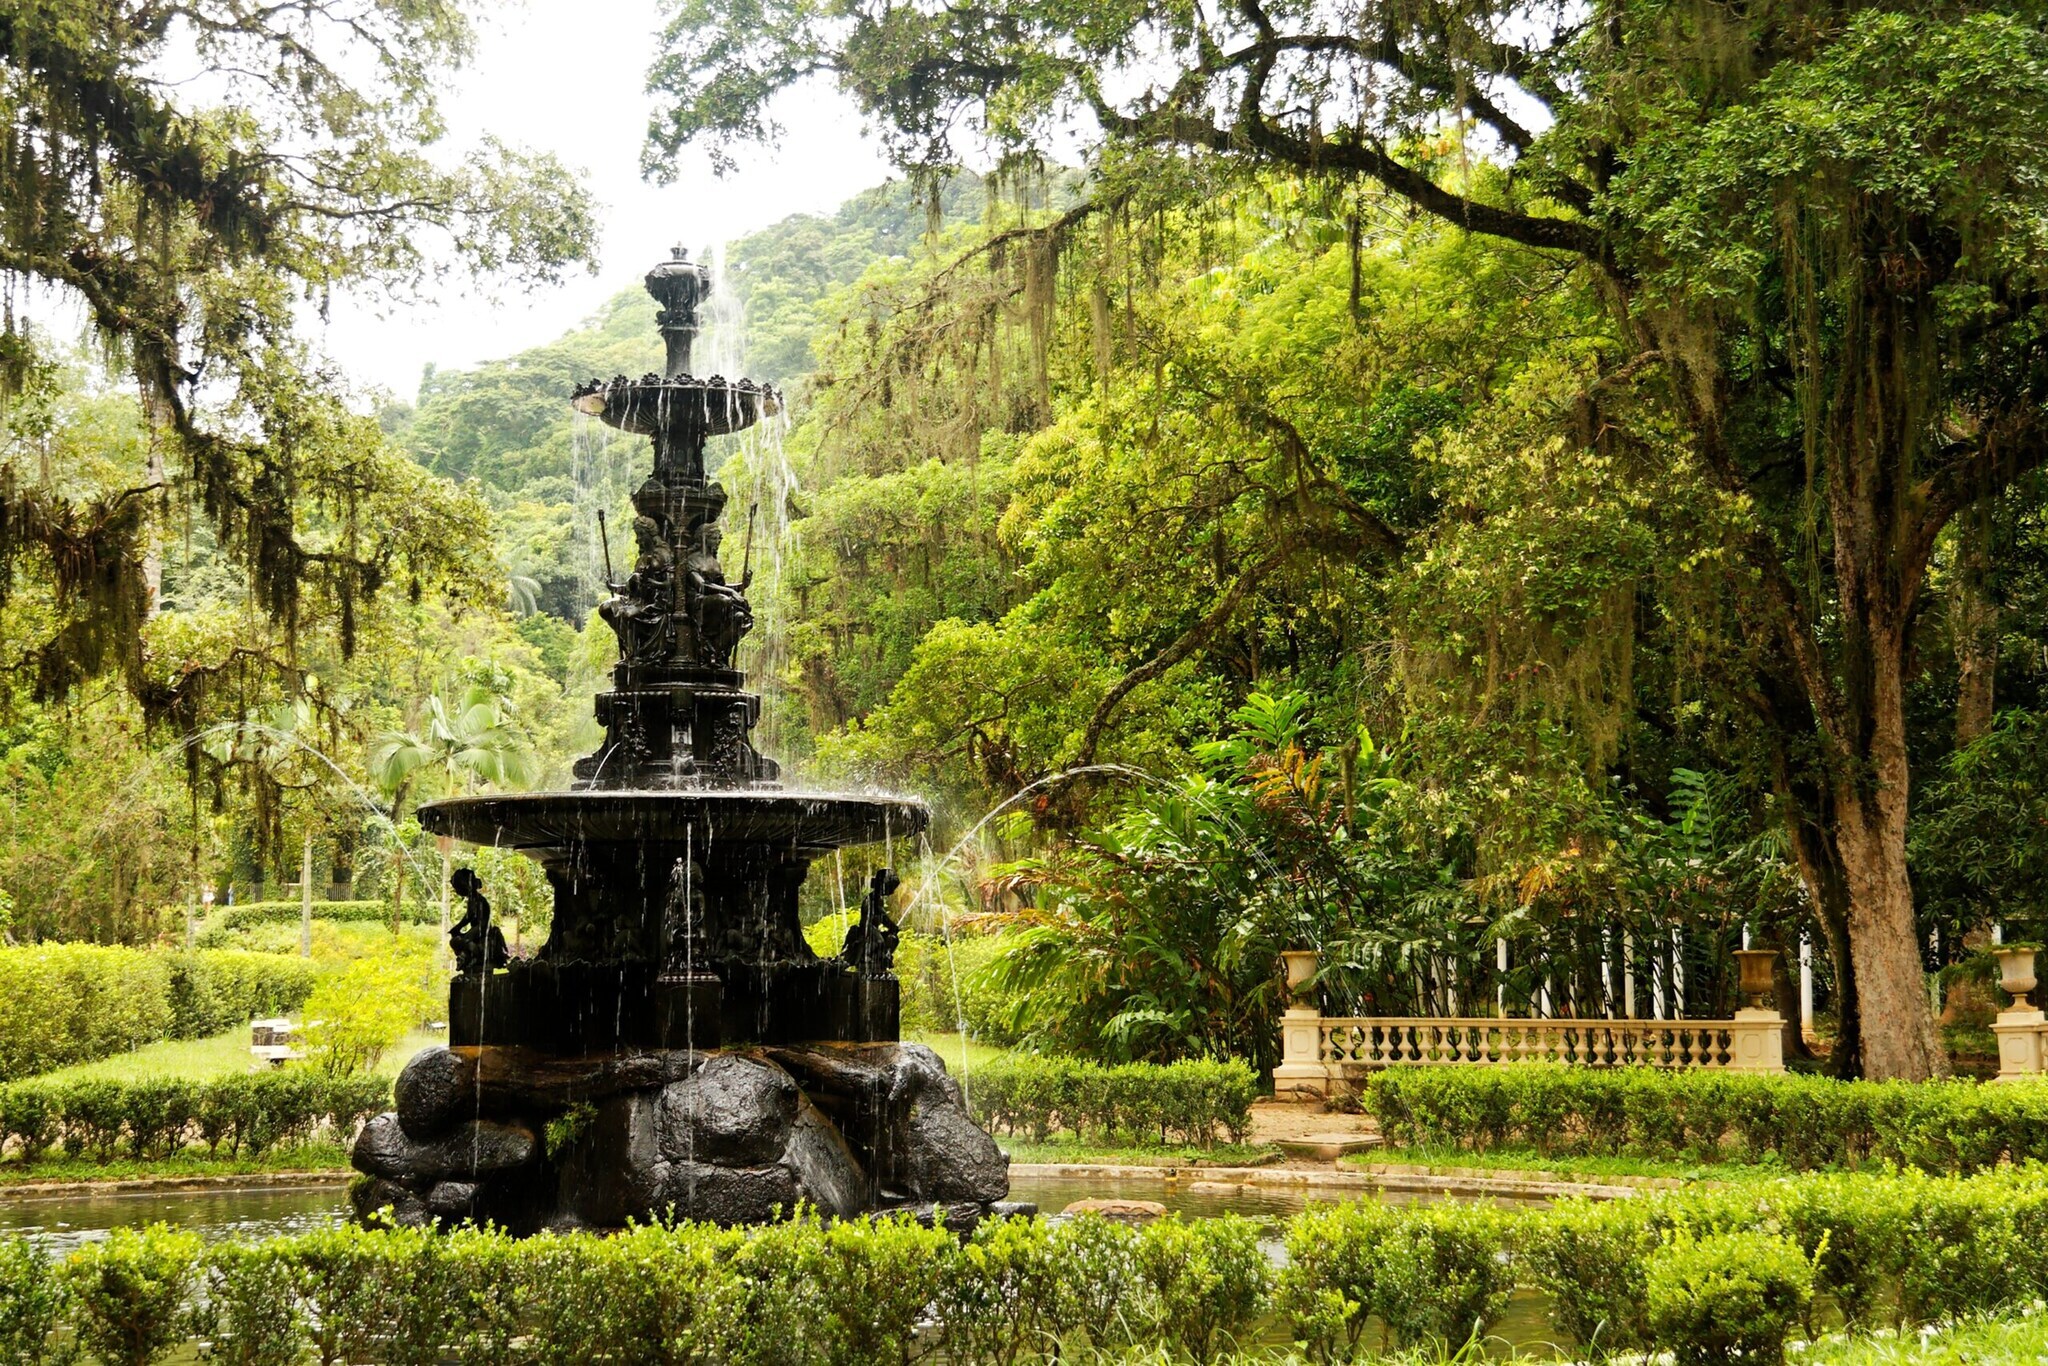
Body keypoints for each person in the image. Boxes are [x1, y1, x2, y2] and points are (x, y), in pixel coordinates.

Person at [838, 868, 902, 977]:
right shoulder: (872, 898)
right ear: (883, 885)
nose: (892, 891)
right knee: (880, 942)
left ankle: (884, 959)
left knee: (893, 939)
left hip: (873, 929)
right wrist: (893, 926)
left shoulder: (877, 898)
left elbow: (882, 917)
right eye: (890, 887)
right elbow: (882, 917)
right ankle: (871, 959)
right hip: (867, 928)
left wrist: (892, 928)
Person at [449, 869, 508, 975]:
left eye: (457, 888)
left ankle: (473, 955)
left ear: (465, 886)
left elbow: (478, 921)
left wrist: (466, 934)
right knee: (455, 941)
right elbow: (468, 917)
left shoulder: (479, 900)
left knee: (460, 941)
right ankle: (468, 956)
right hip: (476, 930)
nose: (457, 891)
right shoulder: (472, 899)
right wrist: (457, 928)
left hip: (481, 930)